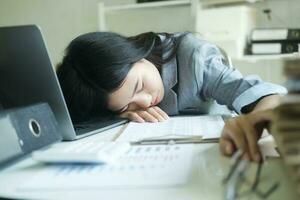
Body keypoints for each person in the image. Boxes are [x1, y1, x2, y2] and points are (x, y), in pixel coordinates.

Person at [56, 31, 287, 162]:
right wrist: (121, 115)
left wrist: (254, 118)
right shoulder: (107, 98)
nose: (145, 101)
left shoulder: (194, 58)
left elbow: (263, 93)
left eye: (139, 86)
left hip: (217, 152)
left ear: (137, 54)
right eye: (127, 104)